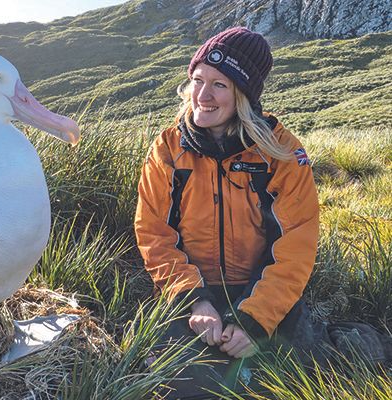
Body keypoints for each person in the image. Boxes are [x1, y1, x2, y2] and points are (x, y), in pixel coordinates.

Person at [134, 27, 326, 398]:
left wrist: (254, 321)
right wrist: (193, 299)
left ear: (244, 95)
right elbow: (153, 232)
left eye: (219, 85)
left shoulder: (281, 152)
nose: (202, 96)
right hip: (192, 290)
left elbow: (297, 244)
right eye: (197, 80)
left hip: (262, 290)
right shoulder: (168, 148)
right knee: (180, 385)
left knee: (289, 382)